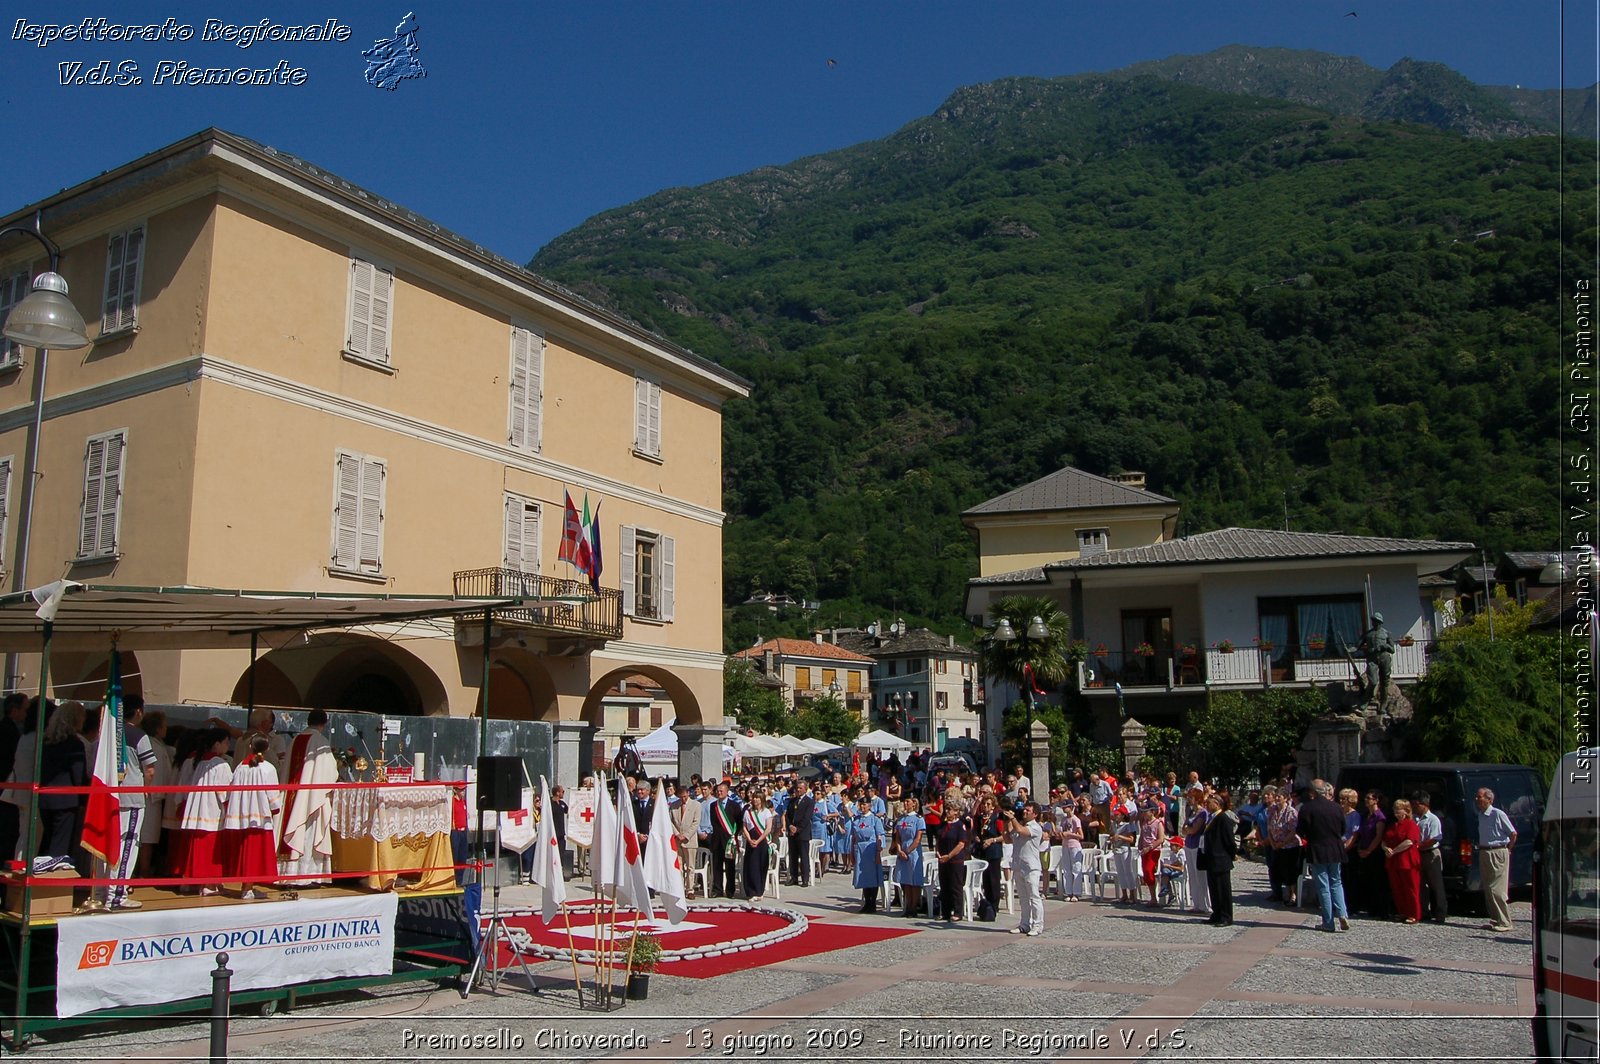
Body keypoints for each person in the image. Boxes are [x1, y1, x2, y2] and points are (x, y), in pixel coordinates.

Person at [106, 696, 158, 910]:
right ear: (138, 712)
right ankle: (117, 894)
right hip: (131, 796)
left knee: (108, 842)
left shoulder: (107, 734)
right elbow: (150, 769)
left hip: (108, 795)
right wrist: (145, 789)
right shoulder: (138, 735)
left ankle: (103, 889)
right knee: (128, 842)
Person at [278, 710, 338, 889]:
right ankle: (304, 876)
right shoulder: (320, 742)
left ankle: (288, 875)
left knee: (296, 827)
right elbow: (330, 772)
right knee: (308, 832)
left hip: (294, 795)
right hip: (311, 797)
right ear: (324, 724)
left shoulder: (296, 740)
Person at [222, 735, 281, 900]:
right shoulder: (268, 768)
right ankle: (247, 888)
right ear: (267, 749)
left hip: (242, 815)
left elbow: (231, 790)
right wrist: (275, 808)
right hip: (259, 816)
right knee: (254, 854)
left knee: (246, 852)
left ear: (250, 747)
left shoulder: (241, 767)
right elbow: (273, 795)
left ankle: (247, 886)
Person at [180, 728, 232, 896]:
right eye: (226, 742)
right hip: (212, 810)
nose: (228, 745)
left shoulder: (201, 762)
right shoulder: (220, 764)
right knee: (210, 849)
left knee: (197, 848)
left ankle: (194, 882)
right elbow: (224, 791)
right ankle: (209, 884)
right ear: (217, 744)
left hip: (198, 810)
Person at [1296, 778, 1350, 933]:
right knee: (1336, 882)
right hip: (1335, 849)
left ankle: (1328, 921)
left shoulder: (1307, 808)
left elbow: (1300, 830)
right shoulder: (1336, 807)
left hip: (1317, 849)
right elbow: (1343, 829)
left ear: (1312, 793)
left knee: (1323, 886)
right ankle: (1342, 913)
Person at [36, 701, 85, 869]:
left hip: (45, 797)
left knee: (48, 839)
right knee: (60, 845)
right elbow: (78, 775)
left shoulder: (45, 742)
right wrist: (84, 798)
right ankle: (52, 884)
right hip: (66, 800)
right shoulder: (75, 744)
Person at [1475, 786, 1517, 933]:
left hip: (1498, 851)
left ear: (1489, 799)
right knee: (1487, 887)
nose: (1477, 799)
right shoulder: (1481, 815)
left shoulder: (1498, 814)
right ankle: (1495, 918)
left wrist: (1508, 849)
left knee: (1496, 888)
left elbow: (1513, 833)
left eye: (1479, 796)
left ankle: (1506, 921)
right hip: (1484, 851)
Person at [1199, 793, 1239, 926]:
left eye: (1209, 802)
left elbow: (1229, 840)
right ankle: (1216, 914)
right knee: (1214, 889)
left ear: (1216, 804)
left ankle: (1226, 916)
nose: (1206, 805)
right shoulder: (1211, 818)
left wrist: (1232, 855)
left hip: (1221, 859)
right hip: (1210, 859)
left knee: (1223, 890)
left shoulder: (1223, 818)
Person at [1006, 800, 1045, 936]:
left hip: (1031, 867)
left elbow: (1021, 831)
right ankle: (1024, 924)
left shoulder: (1035, 827)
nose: (1024, 812)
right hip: (1019, 865)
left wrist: (1013, 819)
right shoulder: (1020, 824)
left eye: (1028, 810)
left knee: (1034, 896)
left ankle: (1038, 924)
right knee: (1022, 898)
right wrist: (1008, 820)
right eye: (1024, 809)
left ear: (1035, 814)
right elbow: (1009, 837)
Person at [1382, 797, 1422, 923]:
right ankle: (1402, 911)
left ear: (1406, 811)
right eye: (1395, 809)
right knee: (1397, 887)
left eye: (1398, 809)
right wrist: (1385, 848)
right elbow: (1384, 840)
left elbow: (1409, 841)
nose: (1396, 812)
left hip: (1407, 860)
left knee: (1410, 887)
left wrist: (1394, 851)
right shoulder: (1392, 825)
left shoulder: (1411, 825)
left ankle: (1414, 914)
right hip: (1393, 861)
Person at [1352, 790, 1390, 918]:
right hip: (1364, 850)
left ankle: (1381, 910)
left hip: (1375, 852)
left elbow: (1378, 836)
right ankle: (1371, 908)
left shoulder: (1380, 817)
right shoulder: (1365, 815)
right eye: (1366, 798)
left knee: (1378, 882)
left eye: (1369, 798)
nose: (1366, 800)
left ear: (1376, 800)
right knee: (1367, 881)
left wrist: (1369, 850)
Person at [1412, 791, 1448, 924]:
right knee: (1421, 885)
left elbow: (1434, 838)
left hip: (1431, 853)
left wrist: (1418, 846)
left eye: (1416, 804)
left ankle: (1440, 912)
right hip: (1418, 855)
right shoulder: (1414, 818)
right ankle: (1424, 911)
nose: (1414, 807)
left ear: (1424, 804)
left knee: (1436, 884)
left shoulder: (1433, 819)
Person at [933, 796, 970, 921]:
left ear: (956, 811)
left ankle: (958, 912)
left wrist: (949, 856)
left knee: (955, 886)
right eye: (946, 809)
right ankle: (946, 911)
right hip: (942, 860)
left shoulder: (960, 825)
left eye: (950, 809)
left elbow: (961, 844)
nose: (947, 811)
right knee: (944, 885)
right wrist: (938, 852)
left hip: (955, 860)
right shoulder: (943, 824)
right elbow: (938, 839)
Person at [702, 780, 742, 898]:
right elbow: (713, 823)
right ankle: (717, 890)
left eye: (721, 791)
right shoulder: (713, 805)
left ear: (727, 792)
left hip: (729, 840)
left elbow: (739, 822)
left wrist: (734, 835)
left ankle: (730, 891)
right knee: (717, 866)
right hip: (716, 840)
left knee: (730, 866)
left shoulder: (734, 805)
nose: (719, 793)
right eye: (718, 791)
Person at [848, 800, 887, 913]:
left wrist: (878, 852)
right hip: (860, 849)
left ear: (870, 806)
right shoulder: (856, 820)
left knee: (872, 877)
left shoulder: (875, 819)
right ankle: (866, 903)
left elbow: (879, 836)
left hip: (871, 848)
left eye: (865, 804)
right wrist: (852, 853)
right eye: (861, 804)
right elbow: (853, 837)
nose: (862, 806)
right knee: (863, 877)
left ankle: (872, 903)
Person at [892, 795, 926, 917]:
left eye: (908, 801)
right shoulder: (901, 819)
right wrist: (900, 850)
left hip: (913, 851)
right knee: (905, 880)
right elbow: (898, 837)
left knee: (914, 880)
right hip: (902, 850)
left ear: (914, 803)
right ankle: (907, 906)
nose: (905, 804)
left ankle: (913, 907)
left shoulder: (918, 819)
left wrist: (907, 851)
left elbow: (918, 839)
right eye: (904, 801)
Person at [972, 794, 1005, 917]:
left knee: (994, 879)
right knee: (985, 880)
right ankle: (987, 902)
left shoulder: (997, 818)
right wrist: (976, 836)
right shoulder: (980, 818)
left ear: (993, 806)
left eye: (988, 804)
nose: (985, 807)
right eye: (984, 804)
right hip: (983, 851)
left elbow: (1004, 836)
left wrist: (992, 840)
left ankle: (994, 904)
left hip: (994, 850)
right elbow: (975, 830)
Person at [1182, 785, 1212, 917]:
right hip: (1188, 844)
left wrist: (1189, 829)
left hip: (1197, 845)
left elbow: (1194, 829)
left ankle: (1206, 904)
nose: (1189, 799)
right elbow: (1184, 829)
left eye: (1191, 797)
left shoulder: (1203, 812)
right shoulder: (1190, 811)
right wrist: (1188, 829)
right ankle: (1197, 904)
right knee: (1192, 875)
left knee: (1201, 875)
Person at [741, 789, 773, 901]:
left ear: (762, 799)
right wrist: (749, 839)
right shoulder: (747, 811)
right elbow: (744, 827)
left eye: (757, 797)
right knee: (751, 866)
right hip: (751, 840)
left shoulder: (766, 812)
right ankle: (750, 891)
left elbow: (768, 828)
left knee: (760, 866)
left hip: (762, 841)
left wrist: (758, 840)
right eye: (754, 797)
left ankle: (759, 891)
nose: (755, 799)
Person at [1356, 612, 1395, 703]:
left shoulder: (1386, 634)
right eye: (1373, 621)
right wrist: (1349, 650)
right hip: (1372, 659)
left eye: (1377, 621)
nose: (1374, 623)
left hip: (1384, 658)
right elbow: (1357, 646)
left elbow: (1392, 649)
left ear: (1380, 622)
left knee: (1384, 682)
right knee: (1373, 682)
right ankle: (1366, 700)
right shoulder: (1368, 634)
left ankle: (1383, 703)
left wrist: (1384, 646)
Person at [673, 780, 702, 898]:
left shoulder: (696, 805)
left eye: (685, 797)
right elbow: (670, 821)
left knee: (690, 866)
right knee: (679, 866)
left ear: (688, 794)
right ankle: (680, 888)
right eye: (681, 797)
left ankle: (690, 889)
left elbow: (696, 823)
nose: (683, 799)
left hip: (689, 840)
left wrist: (685, 835)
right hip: (677, 840)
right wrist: (676, 834)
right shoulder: (674, 806)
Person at [1137, 803, 1167, 907]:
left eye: (1146, 812)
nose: (1144, 814)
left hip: (1153, 850)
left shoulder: (1158, 823)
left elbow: (1160, 839)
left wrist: (1150, 847)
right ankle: (1152, 897)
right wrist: (1140, 844)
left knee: (1149, 871)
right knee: (1145, 872)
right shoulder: (1144, 822)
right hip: (1144, 850)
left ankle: (1154, 898)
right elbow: (1142, 835)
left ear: (1152, 812)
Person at [786, 779, 814, 887]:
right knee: (793, 856)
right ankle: (794, 877)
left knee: (803, 857)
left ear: (805, 789)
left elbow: (806, 818)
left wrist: (797, 829)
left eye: (801, 788)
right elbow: (787, 815)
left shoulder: (809, 802)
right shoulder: (792, 801)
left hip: (802, 833)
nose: (798, 790)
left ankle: (805, 879)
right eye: (797, 788)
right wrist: (790, 826)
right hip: (792, 833)